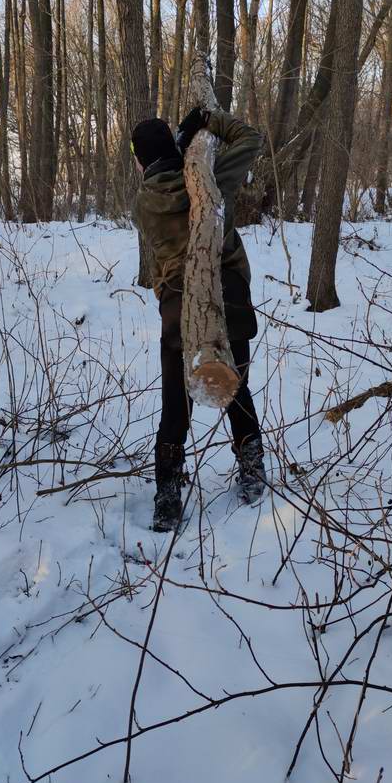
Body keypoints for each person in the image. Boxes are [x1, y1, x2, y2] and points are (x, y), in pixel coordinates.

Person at [132, 105, 265, 532]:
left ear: (139, 160)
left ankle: (167, 496)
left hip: (178, 310)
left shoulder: (144, 204)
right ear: (174, 145)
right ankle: (252, 471)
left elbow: (156, 266)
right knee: (237, 390)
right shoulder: (210, 179)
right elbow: (251, 139)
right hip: (229, 299)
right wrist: (208, 121)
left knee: (176, 404)